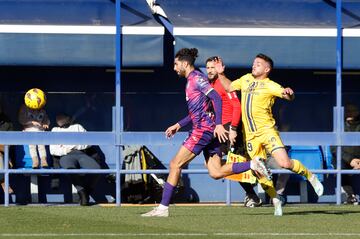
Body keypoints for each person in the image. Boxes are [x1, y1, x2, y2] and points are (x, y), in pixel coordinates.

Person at [141, 48, 271, 217]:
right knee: (216, 172)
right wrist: (178, 125)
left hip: (203, 131)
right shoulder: (192, 80)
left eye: (176, 64)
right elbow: (197, 111)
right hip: (207, 130)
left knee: (175, 164)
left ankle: (163, 208)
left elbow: (216, 97)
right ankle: (253, 164)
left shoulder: (196, 79)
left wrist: (218, 124)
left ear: (185, 64)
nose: (174, 68)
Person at [216, 53, 324, 216]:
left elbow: (288, 95)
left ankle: (311, 176)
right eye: (253, 63)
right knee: (259, 170)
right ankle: (275, 200)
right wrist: (221, 73)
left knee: (285, 163)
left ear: (267, 69)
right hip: (250, 136)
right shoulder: (245, 79)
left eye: (258, 64)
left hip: (267, 131)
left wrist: (289, 93)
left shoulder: (270, 85)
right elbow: (229, 87)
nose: (254, 65)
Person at [206, 56, 262, 207]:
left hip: (230, 127)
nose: (210, 70)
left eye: (213, 67)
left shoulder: (225, 84)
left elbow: (237, 106)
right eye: (208, 68)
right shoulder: (209, 85)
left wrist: (233, 128)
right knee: (216, 167)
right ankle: (253, 179)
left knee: (233, 162)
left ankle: (256, 194)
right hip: (218, 129)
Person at [49, 113, 101, 206]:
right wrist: (65, 149)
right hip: (66, 155)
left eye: (62, 117)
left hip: (80, 153)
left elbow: (89, 142)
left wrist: (76, 145)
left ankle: (87, 191)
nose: (59, 119)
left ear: (68, 118)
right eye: (57, 118)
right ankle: (82, 192)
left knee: (97, 169)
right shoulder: (55, 130)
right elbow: (53, 150)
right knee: (70, 169)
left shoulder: (77, 127)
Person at [332, 103, 360, 205]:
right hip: (344, 159)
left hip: (359, 159)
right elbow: (334, 148)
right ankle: (350, 196)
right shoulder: (339, 126)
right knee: (339, 164)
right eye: (347, 111)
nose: (349, 113)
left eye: (352, 111)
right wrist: (350, 160)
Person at [18, 104, 49, 168]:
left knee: (41, 146)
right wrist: (31, 122)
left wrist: (46, 123)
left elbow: (46, 119)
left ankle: (43, 161)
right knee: (32, 146)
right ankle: (35, 161)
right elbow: (21, 120)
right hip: (30, 131)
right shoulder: (25, 109)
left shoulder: (42, 111)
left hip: (40, 131)